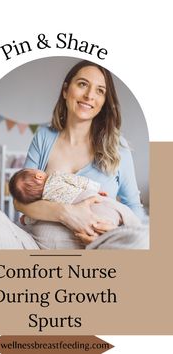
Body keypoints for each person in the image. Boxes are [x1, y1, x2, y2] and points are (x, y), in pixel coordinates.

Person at [13, 60, 145, 245]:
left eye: (100, 90)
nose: (90, 95)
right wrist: (66, 214)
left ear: (104, 102)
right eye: (83, 84)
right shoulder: (44, 137)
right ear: (66, 90)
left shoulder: (117, 147)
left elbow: (133, 208)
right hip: (38, 247)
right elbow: (19, 202)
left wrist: (115, 234)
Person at [9, 167, 140, 232]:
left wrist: (25, 219)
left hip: (82, 218)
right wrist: (96, 189)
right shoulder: (55, 176)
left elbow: (36, 217)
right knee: (121, 214)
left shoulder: (44, 201)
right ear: (38, 176)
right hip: (88, 199)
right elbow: (79, 181)